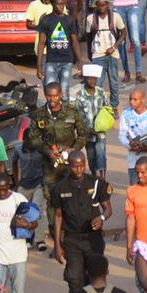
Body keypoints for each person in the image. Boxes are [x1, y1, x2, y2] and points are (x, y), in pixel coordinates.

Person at [24, 82, 89, 239]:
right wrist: (48, 151)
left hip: (71, 165)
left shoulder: (72, 112)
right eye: (49, 95)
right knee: (52, 202)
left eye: (55, 95)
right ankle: (57, 239)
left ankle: (72, 237)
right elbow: (32, 140)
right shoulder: (39, 114)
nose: (52, 99)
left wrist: (73, 149)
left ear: (60, 95)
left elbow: (83, 134)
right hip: (50, 167)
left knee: (73, 199)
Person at [50, 151, 113, 292]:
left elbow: (108, 210)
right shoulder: (59, 188)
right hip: (72, 240)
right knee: (74, 278)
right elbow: (58, 216)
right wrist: (57, 245)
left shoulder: (97, 184)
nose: (79, 170)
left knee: (95, 277)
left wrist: (101, 218)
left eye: (82, 166)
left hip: (93, 238)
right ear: (69, 166)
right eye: (75, 166)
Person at [35, 0, 86, 98]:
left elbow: (75, 41)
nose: (62, 7)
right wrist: (39, 65)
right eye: (59, 4)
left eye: (63, 4)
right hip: (51, 61)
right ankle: (51, 113)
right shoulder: (46, 20)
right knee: (50, 89)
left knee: (64, 91)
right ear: (52, 4)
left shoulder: (69, 20)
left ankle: (65, 112)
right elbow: (41, 43)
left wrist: (79, 60)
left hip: (66, 62)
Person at [118, 88, 147, 185]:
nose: (132, 102)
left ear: (143, 100)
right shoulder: (126, 114)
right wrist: (130, 145)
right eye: (130, 99)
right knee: (135, 188)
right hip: (133, 160)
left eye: (135, 99)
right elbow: (122, 135)